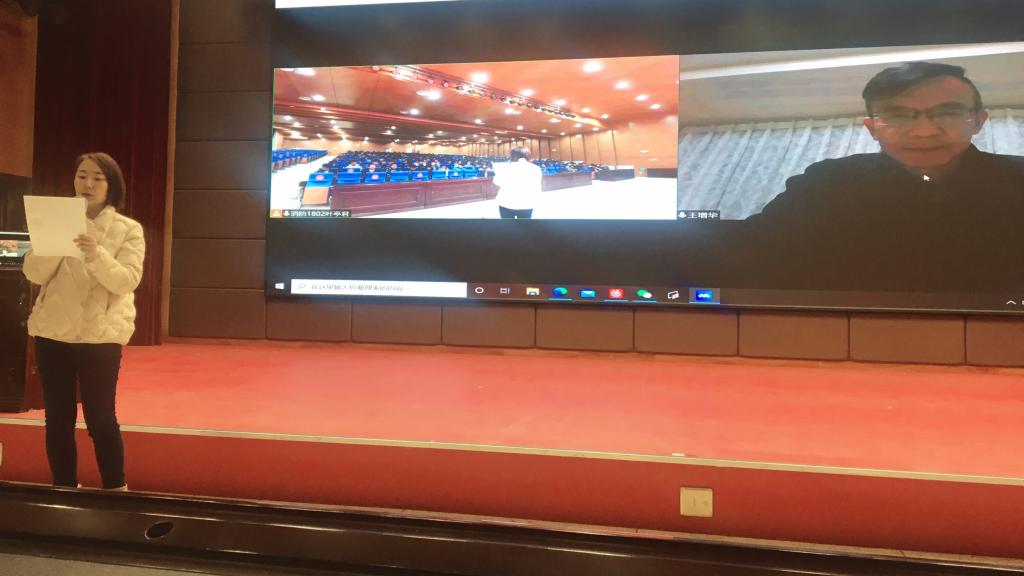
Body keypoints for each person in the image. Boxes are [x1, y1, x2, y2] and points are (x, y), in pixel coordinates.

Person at [744, 62, 1024, 290]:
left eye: (949, 112)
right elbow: (759, 252)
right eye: (898, 116)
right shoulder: (827, 182)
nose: (924, 132)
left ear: (978, 122)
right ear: (872, 128)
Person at [22, 152, 145, 490]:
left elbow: (126, 281)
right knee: (57, 418)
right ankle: (64, 491)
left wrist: (96, 254)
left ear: (111, 185)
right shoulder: (56, 222)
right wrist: (55, 243)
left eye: (97, 178)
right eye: (82, 176)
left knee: (100, 418)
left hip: (100, 336)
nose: (88, 184)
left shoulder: (127, 230)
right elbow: (34, 273)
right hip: (53, 332)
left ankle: (116, 490)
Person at [494, 147, 542, 219]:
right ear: (527, 155)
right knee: (524, 225)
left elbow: (497, 182)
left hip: (506, 202)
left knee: (507, 225)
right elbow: (537, 185)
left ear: (512, 155)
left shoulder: (504, 167)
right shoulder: (535, 168)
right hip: (527, 202)